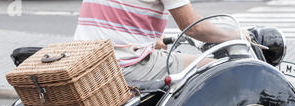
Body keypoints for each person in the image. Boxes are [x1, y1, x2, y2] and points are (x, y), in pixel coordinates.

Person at [74, 0, 241, 82]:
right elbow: (194, 28)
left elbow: (116, 20)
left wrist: (151, 41)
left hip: (85, 62)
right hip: (125, 64)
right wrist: (235, 36)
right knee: (221, 70)